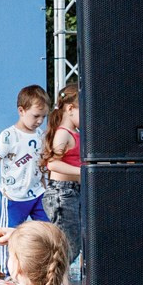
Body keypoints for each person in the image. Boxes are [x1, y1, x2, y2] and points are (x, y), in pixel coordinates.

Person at [0, 84, 52, 227]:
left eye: (44, 117)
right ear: (21, 111)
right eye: (36, 116)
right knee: (9, 235)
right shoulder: (8, 135)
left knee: (49, 230)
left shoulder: (41, 135)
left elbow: (40, 163)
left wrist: (44, 186)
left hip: (37, 194)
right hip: (13, 197)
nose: (40, 121)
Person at [43, 83, 83, 273]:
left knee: (74, 242)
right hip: (61, 193)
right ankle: (52, 278)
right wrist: (82, 171)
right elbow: (52, 164)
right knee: (65, 243)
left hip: (73, 192)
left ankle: (58, 278)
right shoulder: (62, 134)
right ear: (70, 108)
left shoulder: (76, 134)